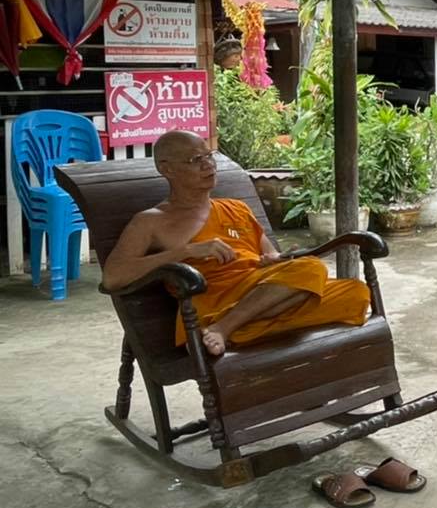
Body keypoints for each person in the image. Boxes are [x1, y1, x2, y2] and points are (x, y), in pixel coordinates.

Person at [103, 130, 371, 357]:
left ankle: (232, 327)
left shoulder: (236, 208)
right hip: (214, 300)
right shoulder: (151, 221)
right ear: (167, 169)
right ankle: (226, 326)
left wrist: (276, 259)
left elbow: (269, 256)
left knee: (355, 292)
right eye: (197, 159)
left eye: (209, 156)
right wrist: (185, 251)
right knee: (311, 270)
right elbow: (114, 277)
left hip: (256, 291)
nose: (209, 165)